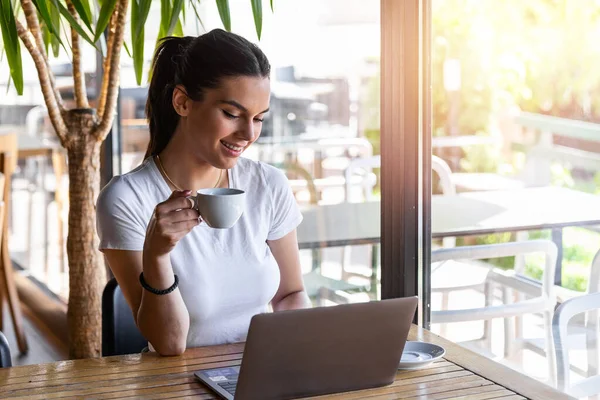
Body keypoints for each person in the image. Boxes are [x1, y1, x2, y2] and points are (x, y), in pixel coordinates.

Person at [96, 29, 311, 356]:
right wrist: (157, 255)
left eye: (259, 118)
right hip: (176, 382)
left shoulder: (268, 184)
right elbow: (168, 344)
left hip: (263, 374)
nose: (248, 133)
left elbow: (289, 295)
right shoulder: (126, 199)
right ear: (182, 102)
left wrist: (307, 356)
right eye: (232, 114)